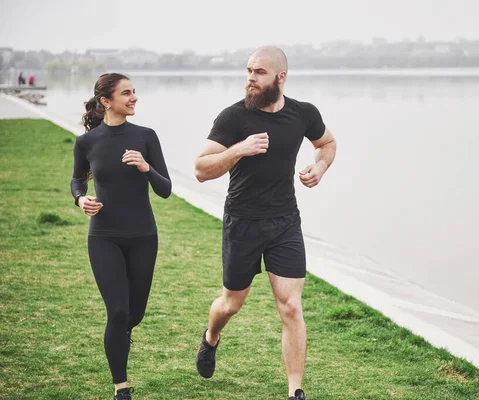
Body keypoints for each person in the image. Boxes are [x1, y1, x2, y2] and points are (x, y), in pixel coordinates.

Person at [194, 46, 337, 400]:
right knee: (231, 303)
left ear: (280, 77)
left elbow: (328, 143)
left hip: (285, 221)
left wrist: (319, 167)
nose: (250, 79)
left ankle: (295, 391)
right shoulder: (233, 118)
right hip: (242, 220)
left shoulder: (303, 114)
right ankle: (211, 337)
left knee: (290, 305)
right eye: (248, 71)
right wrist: (238, 149)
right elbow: (200, 169)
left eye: (258, 72)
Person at [70, 73, 171, 400]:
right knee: (117, 312)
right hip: (104, 237)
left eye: (134, 92)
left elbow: (165, 189)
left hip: (143, 236)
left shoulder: (146, 137)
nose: (134, 98)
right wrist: (80, 198)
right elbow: (77, 180)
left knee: (133, 315)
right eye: (126, 93)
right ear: (106, 101)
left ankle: (121, 333)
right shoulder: (87, 142)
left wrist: (145, 167)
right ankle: (121, 389)